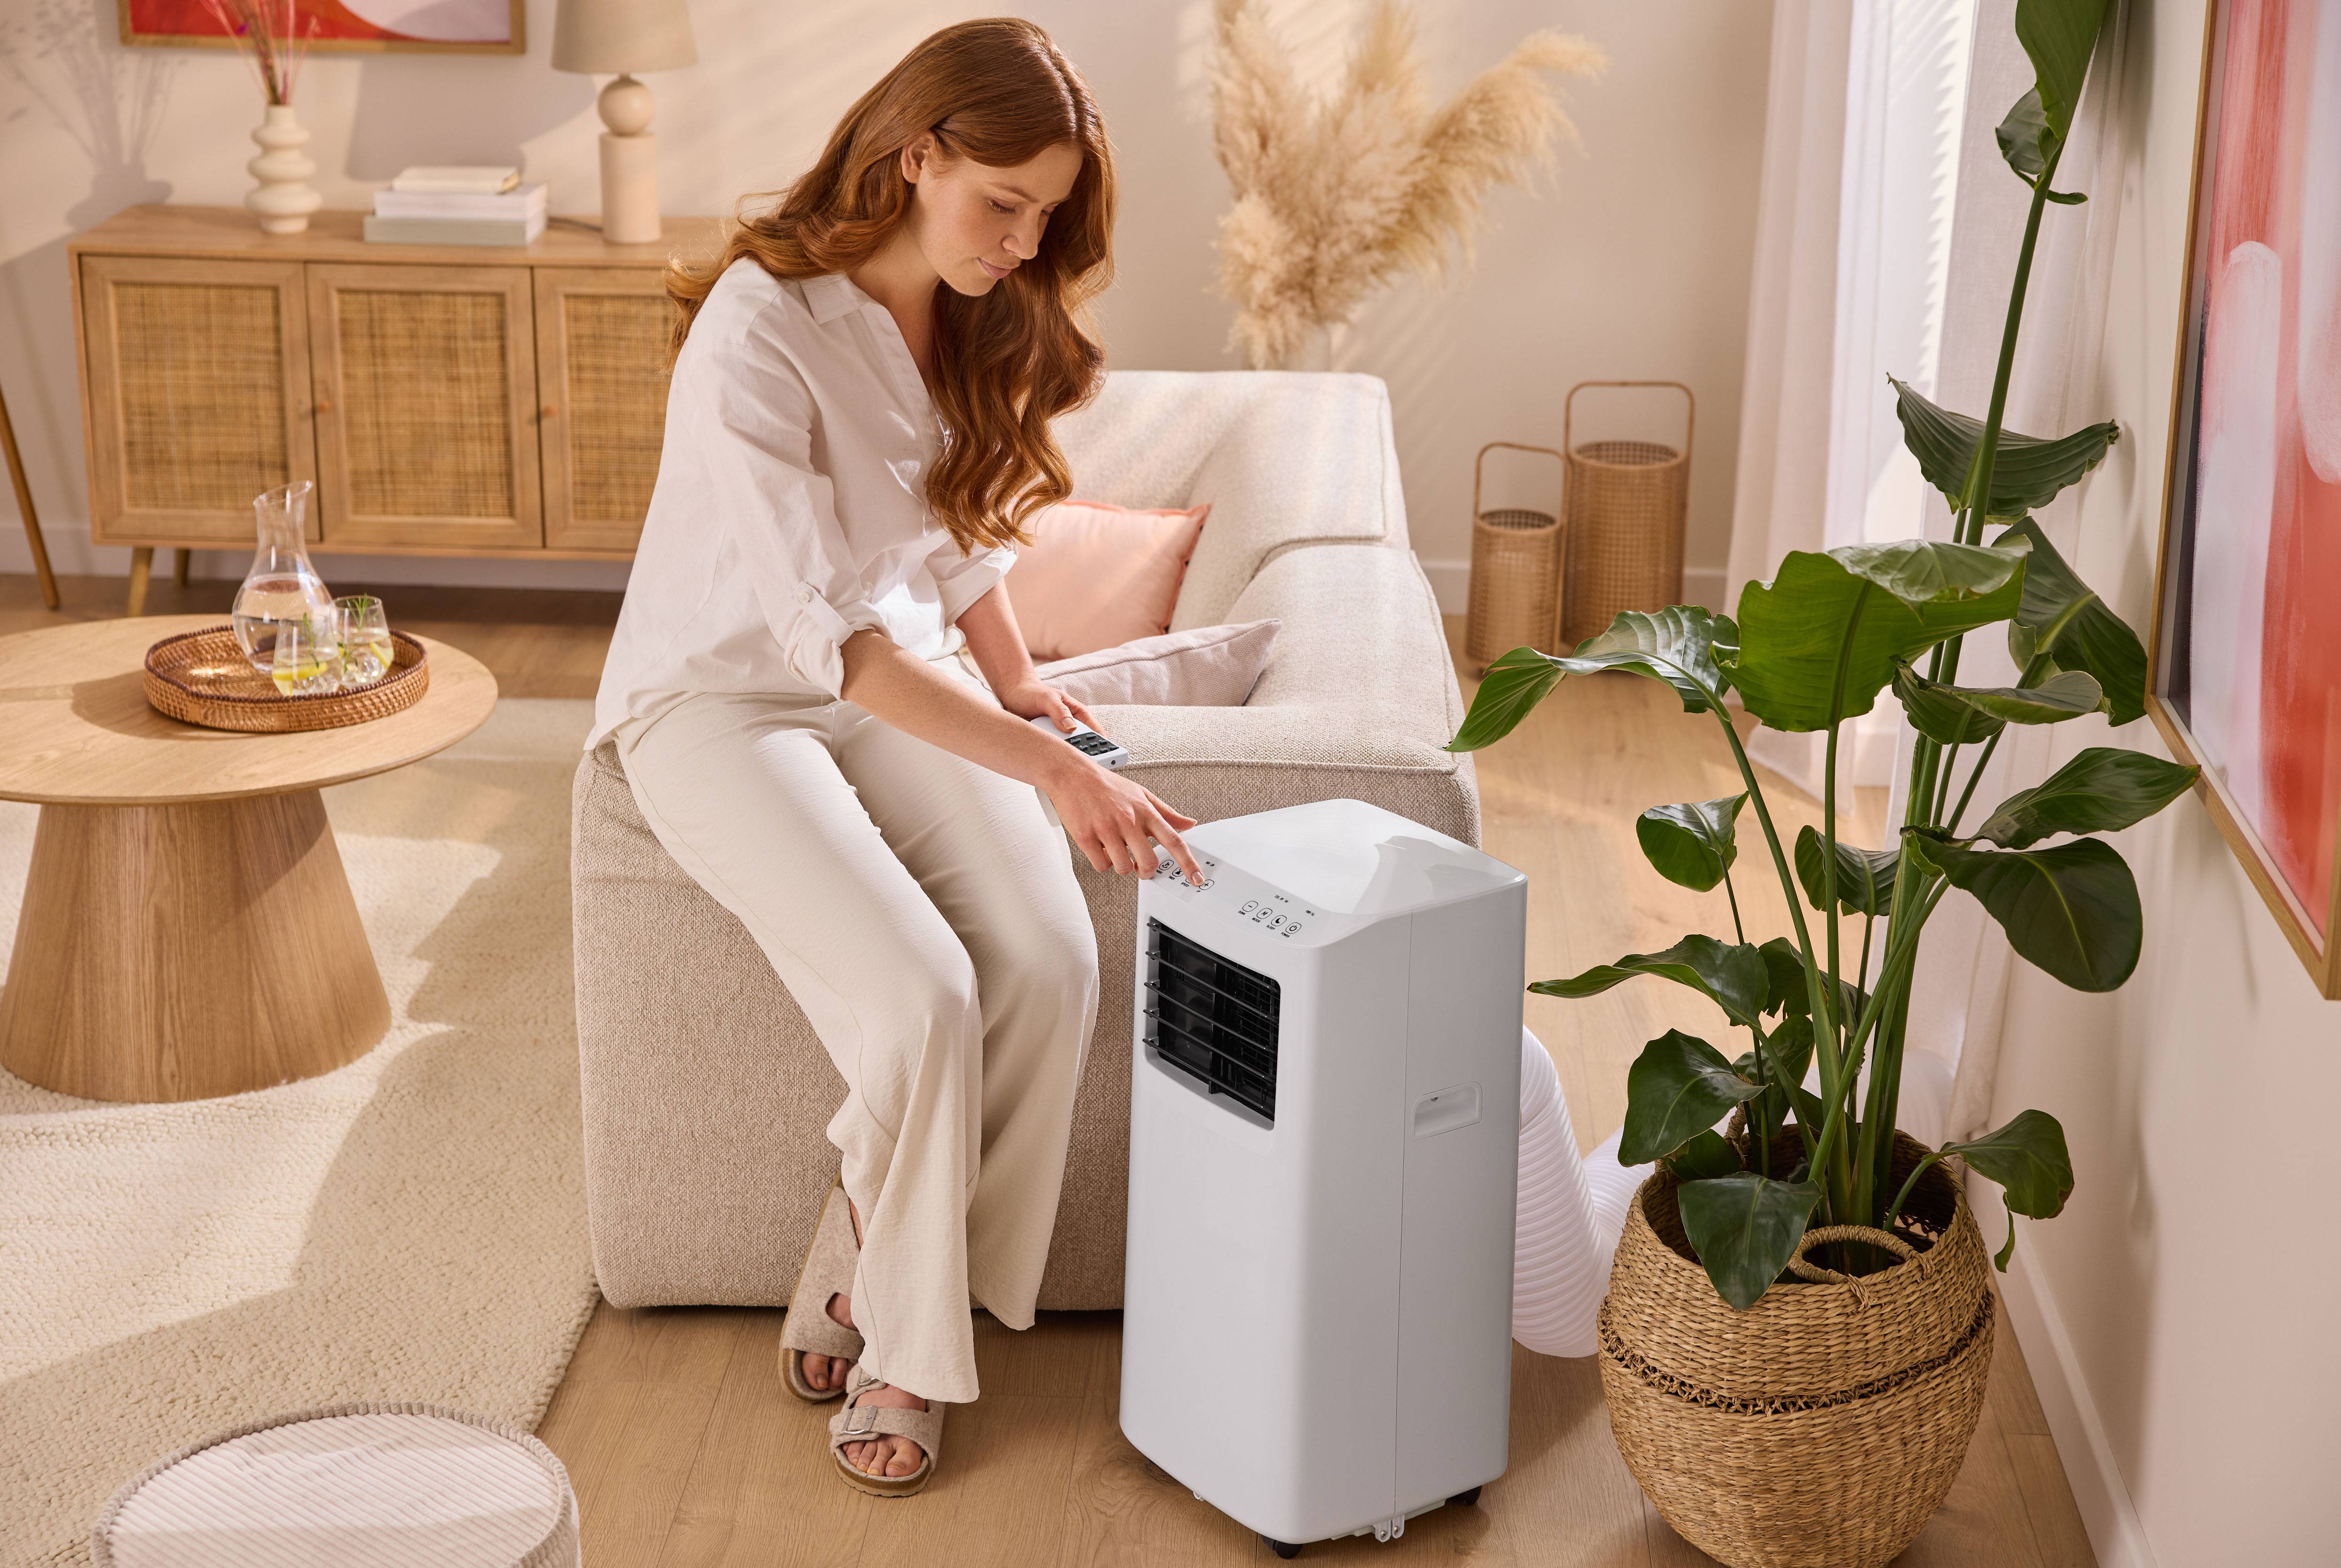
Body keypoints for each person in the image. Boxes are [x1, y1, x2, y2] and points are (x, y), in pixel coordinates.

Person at [587, 17, 1202, 1497]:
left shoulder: (964, 307)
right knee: (923, 998)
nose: (1023, 239)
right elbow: (830, 637)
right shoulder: (757, 325)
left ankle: (865, 1250)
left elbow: (948, 535)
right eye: (1003, 202)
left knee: (1053, 965)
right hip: (722, 705)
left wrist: (1023, 688)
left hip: (899, 681)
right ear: (915, 152)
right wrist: (1051, 773)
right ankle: (912, 1357)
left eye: (1047, 213)